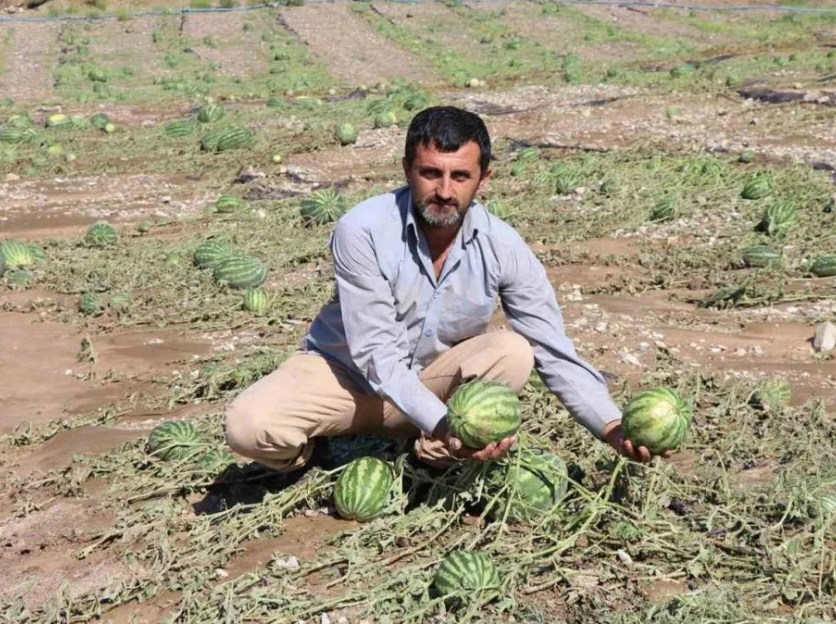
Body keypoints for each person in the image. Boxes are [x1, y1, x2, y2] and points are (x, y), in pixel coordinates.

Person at [224, 105, 671, 471]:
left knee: (515, 350)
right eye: (430, 173)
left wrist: (610, 426)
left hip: (430, 388)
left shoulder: (502, 245)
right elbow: (378, 354)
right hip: (344, 379)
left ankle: (433, 458)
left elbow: (553, 349)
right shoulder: (362, 230)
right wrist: (442, 421)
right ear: (406, 169)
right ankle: (314, 453)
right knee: (248, 425)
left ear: (483, 179)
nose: (443, 191)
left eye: (460, 176)